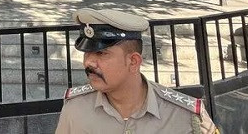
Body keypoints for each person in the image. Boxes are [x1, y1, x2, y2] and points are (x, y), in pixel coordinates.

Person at [55, 8, 219, 134]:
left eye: (101, 53)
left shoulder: (186, 115)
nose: (88, 62)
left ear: (133, 61)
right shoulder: (75, 108)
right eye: (87, 53)